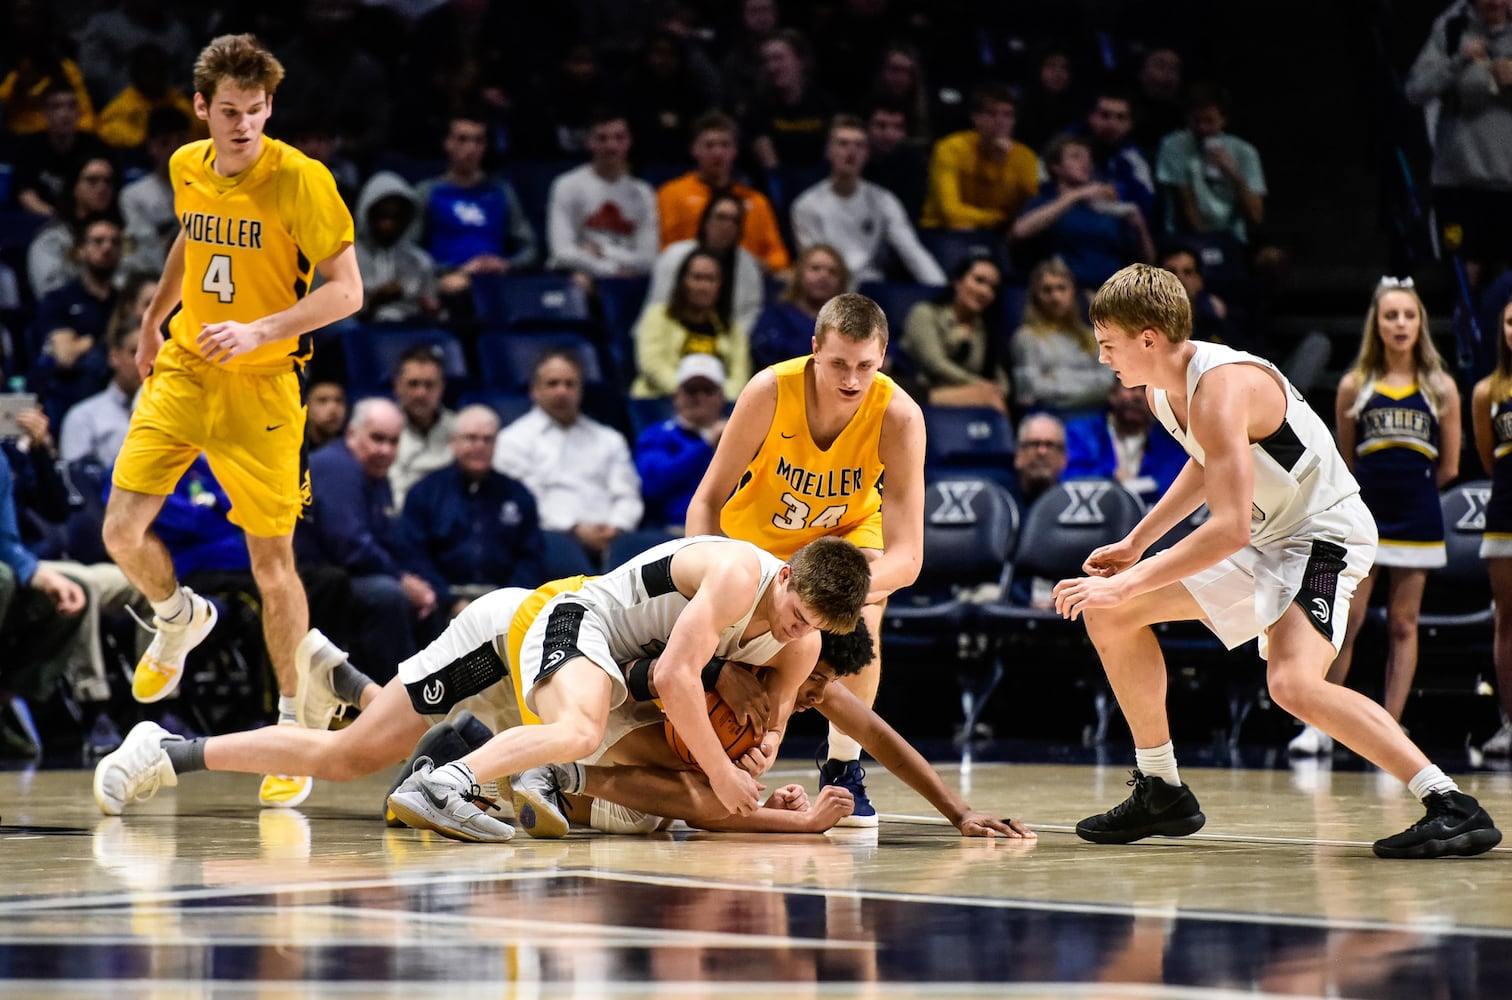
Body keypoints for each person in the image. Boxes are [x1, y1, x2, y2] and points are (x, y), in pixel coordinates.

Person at [1052, 263, 1500, 860]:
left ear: (1149, 338)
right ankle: (1160, 787)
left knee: (1292, 684)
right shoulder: (1166, 389)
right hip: (1271, 534)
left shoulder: (1221, 386)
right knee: (1112, 615)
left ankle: (1451, 804)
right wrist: (1138, 541)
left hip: (1323, 533)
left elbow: (1229, 527)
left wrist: (1131, 577)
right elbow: (1209, 460)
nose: (1104, 356)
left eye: (1109, 343)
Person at [95, 535, 872, 843]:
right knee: (581, 736)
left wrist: (758, 785)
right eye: (795, 611)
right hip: (570, 620)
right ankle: (455, 778)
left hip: (540, 646)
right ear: (789, 570)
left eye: (811, 630)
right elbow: (673, 678)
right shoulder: (741, 574)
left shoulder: (801, 647)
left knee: (350, 757)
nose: (795, 630)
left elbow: (750, 755)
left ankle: (168, 749)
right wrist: (729, 774)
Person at [100, 34, 362, 808]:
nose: (243, 126)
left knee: (272, 565)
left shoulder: (301, 181)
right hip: (186, 369)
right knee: (120, 532)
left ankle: (292, 727)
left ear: (269, 107)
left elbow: (347, 292)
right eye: (228, 112)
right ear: (200, 111)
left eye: (255, 111)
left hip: (263, 385)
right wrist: (153, 319)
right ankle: (178, 617)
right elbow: (192, 232)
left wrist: (260, 329)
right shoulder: (187, 165)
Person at [686, 293, 926, 826]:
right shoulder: (770, 391)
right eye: (838, 363)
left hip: (844, 541)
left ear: (883, 356)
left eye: (865, 365)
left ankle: (843, 766)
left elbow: (907, 557)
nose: (851, 379)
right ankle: (709, 757)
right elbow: (706, 500)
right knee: (724, 665)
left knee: (864, 619)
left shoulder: (901, 416)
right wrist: (702, 574)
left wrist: (832, 599)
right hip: (758, 546)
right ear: (815, 350)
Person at [510, 622, 1035, 840]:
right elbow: (711, 812)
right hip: (585, 681)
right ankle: (554, 767)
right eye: (818, 680)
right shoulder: (732, 643)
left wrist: (960, 814)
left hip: (635, 769)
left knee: (652, 821)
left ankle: (508, 770)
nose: (817, 696)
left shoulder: (799, 677)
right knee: (693, 791)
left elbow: (882, 741)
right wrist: (796, 825)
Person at [1289, 279, 1461, 755]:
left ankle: (1389, 727)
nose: (1401, 324)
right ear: (1377, 324)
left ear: (1421, 322)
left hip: (1418, 515)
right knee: (1347, 618)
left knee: (1405, 624)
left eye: (1409, 315)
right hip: (1365, 517)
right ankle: (1319, 724)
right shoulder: (1354, 384)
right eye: (1391, 316)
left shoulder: (1441, 386)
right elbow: (1344, 457)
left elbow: (1449, 465)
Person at [299, 398, 434, 664]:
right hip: (315, 578)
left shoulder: (374, 473)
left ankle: (435, 693)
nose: (385, 450)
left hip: (346, 574)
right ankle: (393, 693)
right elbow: (350, 544)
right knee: (388, 595)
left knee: (431, 596)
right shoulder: (337, 467)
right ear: (352, 434)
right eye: (377, 439)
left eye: (393, 442)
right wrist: (402, 580)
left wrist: (417, 582)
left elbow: (388, 540)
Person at [493, 350, 642, 566]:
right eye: (552, 384)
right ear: (534, 390)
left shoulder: (609, 439)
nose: (562, 391)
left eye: (570, 384)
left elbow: (628, 494)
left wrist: (617, 527)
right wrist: (574, 528)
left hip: (611, 540)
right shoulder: (513, 440)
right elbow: (524, 501)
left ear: (580, 390)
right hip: (551, 540)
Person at [400, 404, 545, 618]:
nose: (480, 446)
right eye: (471, 438)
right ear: (453, 443)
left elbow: (531, 558)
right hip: (443, 601)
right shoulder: (425, 492)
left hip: (503, 603)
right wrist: (450, 601)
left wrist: (509, 602)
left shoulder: (518, 495)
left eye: (488, 439)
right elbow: (415, 555)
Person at [1405, 0, 1512, 283]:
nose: (1496, 3)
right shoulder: (1452, 27)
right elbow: (1415, 89)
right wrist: (1459, 61)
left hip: (1507, 181)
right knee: (1464, 276)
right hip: (1459, 181)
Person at [791, 114, 945, 289]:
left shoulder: (885, 201)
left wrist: (941, 290)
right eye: (843, 144)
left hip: (872, 289)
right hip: (828, 289)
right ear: (829, 151)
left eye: (859, 145)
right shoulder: (805, 205)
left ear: (867, 153)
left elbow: (912, 252)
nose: (851, 151)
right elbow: (814, 263)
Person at [415, 110, 539, 302]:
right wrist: (453, 270)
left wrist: (506, 264)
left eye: (478, 141)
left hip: (498, 282)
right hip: (446, 281)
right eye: (462, 140)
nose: (471, 148)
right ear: (447, 143)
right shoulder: (427, 192)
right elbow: (409, 249)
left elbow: (529, 247)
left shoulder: (502, 191)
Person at [1010, 133, 1154, 290]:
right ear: (1055, 166)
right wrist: (1076, 195)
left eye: (1088, 158)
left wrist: (1140, 227)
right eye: (1076, 157)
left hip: (1113, 292)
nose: (1086, 163)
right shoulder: (1045, 203)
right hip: (1068, 289)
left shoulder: (1109, 207)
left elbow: (1148, 260)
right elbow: (1020, 231)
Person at [656, 111, 790, 274]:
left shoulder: (757, 201)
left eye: (725, 145)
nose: (718, 152)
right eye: (709, 145)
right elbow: (664, 248)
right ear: (694, 149)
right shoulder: (671, 194)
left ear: (735, 150)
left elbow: (779, 256)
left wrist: (763, 265)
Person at [545, 110, 660, 280]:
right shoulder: (566, 185)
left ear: (629, 141)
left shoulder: (643, 192)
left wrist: (605, 251)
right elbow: (562, 252)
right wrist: (610, 270)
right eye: (602, 138)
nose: (611, 146)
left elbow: (650, 258)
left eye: (619, 138)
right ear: (589, 142)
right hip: (582, 275)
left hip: (631, 278)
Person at [1472, 293, 1512, 756]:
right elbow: (1488, 459)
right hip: (1503, 515)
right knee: (1507, 621)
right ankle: (1508, 720)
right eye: (1509, 322)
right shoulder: (1487, 392)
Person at [1154, 86, 1267, 247]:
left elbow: (1256, 215)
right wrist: (1210, 245)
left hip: (1233, 236)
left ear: (1223, 119)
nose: (1202, 128)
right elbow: (1186, 204)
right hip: (1187, 236)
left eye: (1209, 121)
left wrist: (1233, 173)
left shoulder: (1244, 151)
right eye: (1196, 120)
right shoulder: (1174, 145)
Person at [898, 252, 1010, 413]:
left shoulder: (985, 329)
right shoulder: (925, 313)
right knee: (988, 398)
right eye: (979, 280)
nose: (985, 292)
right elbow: (935, 364)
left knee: (992, 397)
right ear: (957, 281)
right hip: (918, 391)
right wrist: (979, 385)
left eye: (992, 288)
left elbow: (999, 374)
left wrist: (1001, 388)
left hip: (963, 394)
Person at [631, 249, 749, 400]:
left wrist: (713, 397)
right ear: (683, 281)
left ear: (720, 285)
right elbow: (652, 365)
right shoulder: (658, 316)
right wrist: (689, 392)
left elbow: (739, 377)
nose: (704, 286)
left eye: (711, 279)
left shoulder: (733, 329)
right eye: (697, 278)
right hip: (661, 399)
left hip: (718, 405)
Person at [920, 84, 1039, 232]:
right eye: (992, 114)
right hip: (945, 230)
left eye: (1008, 115)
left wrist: (1002, 162)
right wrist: (998, 219)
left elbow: (1031, 207)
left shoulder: (1025, 156)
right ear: (976, 118)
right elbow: (950, 211)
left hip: (999, 233)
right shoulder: (950, 148)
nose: (1001, 121)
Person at [646, 190, 766, 335]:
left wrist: (730, 345)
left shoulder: (747, 263)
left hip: (725, 344)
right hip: (670, 339)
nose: (727, 225)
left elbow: (750, 311)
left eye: (734, 220)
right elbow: (659, 306)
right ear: (706, 220)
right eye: (721, 217)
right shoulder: (674, 254)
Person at [1010, 257, 1115, 415]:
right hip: (1048, 417)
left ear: (1072, 292)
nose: (1055, 297)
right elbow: (1029, 390)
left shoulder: (1093, 336)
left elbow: (1108, 384)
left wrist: (1055, 378)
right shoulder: (1025, 338)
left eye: (1061, 288)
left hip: (1094, 415)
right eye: (1047, 290)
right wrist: (1088, 381)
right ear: (1035, 296)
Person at [635, 355, 728, 530]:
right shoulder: (657, 435)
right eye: (691, 389)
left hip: (733, 531)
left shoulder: (738, 435)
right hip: (675, 531)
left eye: (707, 389)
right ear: (677, 395)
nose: (699, 397)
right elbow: (654, 485)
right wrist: (706, 445)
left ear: (720, 397)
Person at [1064, 382, 1187, 507]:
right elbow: (1067, 478)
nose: (1138, 396)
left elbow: (1178, 488)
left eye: (1145, 390)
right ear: (1113, 394)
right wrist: (1110, 477)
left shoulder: (1170, 444)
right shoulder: (1082, 433)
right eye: (1131, 387)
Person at [353, 172, 439, 326]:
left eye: (396, 218)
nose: (388, 225)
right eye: (382, 216)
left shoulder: (420, 262)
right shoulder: (346, 258)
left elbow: (434, 308)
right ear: (366, 214)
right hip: (364, 333)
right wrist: (372, 301)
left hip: (411, 331)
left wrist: (431, 308)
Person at [750, 244, 849, 371]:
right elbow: (767, 354)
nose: (823, 276)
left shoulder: (848, 324)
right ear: (799, 273)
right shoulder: (776, 316)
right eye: (815, 268)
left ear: (842, 281)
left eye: (832, 272)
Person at [59, 316, 141, 467]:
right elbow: (76, 484)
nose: (145, 360)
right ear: (114, 356)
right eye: (134, 352)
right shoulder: (83, 417)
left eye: (154, 352)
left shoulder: (174, 414)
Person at [120, 106, 192, 276]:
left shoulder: (208, 189)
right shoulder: (134, 195)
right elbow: (142, 248)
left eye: (181, 140)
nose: (175, 149)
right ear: (152, 146)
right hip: (154, 279)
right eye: (165, 142)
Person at [389, 346, 455, 507]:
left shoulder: (460, 428)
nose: (421, 393)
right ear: (397, 386)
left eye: (429, 385)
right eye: (413, 384)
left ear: (442, 387)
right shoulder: (382, 430)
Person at [1010, 412, 1068, 509]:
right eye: (1034, 444)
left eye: (1050, 445)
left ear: (1063, 458)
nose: (1042, 451)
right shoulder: (1003, 504)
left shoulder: (1071, 505)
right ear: (1018, 455)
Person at [304, 379, 347, 451]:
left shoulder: (354, 451)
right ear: (307, 407)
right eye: (322, 400)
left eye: (338, 400)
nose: (333, 408)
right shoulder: (292, 450)